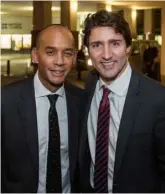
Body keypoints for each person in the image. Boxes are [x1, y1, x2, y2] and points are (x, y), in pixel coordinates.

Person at [79, 10, 165, 193]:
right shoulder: (89, 85)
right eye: (97, 45)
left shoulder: (158, 99)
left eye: (115, 43)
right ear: (88, 50)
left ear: (128, 47)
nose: (107, 55)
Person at [1, 24, 83, 193]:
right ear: (35, 56)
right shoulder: (6, 101)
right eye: (50, 52)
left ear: (74, 57)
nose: (59, 61)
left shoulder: (81, 101)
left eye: (67, 53)